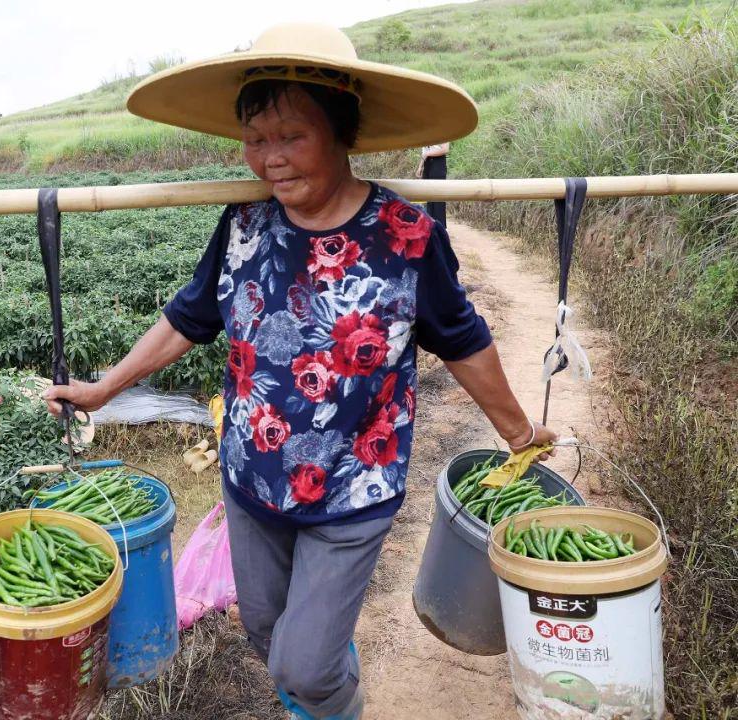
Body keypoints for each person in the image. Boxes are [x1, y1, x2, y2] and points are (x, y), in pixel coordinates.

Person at [44, 23, 558, 720]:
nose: (270, 159)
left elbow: (462, 339)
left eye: (291, 136)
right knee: (265, 632)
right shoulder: (244, 223)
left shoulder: (407, 237)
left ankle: (331, 700)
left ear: (341, 132)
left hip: (351, 491)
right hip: (252, 481)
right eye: (256, 140)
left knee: (303, 665)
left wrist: (519, 430)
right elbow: (189, 318)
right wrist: (105, 389)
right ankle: (319, 672)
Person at [416, 142, 450, 227]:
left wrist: (427, 154)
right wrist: (420, 166)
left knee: (438, 198)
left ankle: (440, 228)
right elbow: (425, 151)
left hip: (438, 163)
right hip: (427, 163)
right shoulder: (426, 133)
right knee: (428, 197)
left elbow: (445, 149)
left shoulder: (442, 130)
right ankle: (430, 227)